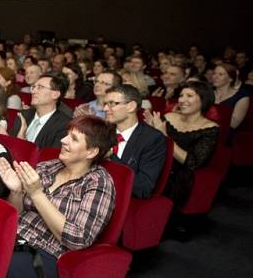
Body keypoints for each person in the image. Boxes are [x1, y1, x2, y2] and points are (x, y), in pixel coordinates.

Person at [0, 116, 116, 278]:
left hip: (47, 258)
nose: (63, 140)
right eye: (67, 134)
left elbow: (78, 239)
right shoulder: (49, 166)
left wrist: (37, 194)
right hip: (13, 240)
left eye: (74, 139)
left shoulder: (99, 184)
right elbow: (16, 214)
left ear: (92, 152)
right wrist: (17, 192)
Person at [144, 80, 220, 208]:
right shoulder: (169, 117)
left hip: (179, 175)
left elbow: (192, 162)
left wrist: (164, 136)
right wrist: (150, 131)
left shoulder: (211, 128)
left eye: (189, 96)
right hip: (157, 163)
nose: (182, 100)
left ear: (203, 100)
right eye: (181, 96)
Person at [104, 84, 167, 198]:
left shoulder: (152, 139)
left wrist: (111, 158)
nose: (105, 109)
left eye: (112, 103)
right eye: (105, 104)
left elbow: (143, 188)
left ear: (131, 106)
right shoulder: (102, 132)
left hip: (124, 201)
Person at [9, 74, 72, 149]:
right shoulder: (24, 115)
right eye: (34, 87)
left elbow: (50, 157)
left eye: (40, 87)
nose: (33, 91)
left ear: (55, 94)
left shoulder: (64, 125)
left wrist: (23, 143)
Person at [212, 62, 249, 130]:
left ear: (230, 79)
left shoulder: (242, 96)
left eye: (220, 74)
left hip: (225, 133)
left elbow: (233, 124)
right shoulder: (208, 92)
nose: (215, 77)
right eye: (214, 73)